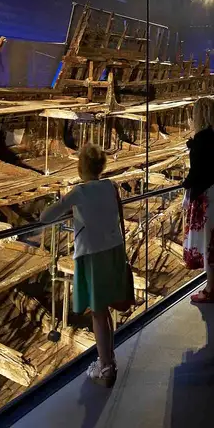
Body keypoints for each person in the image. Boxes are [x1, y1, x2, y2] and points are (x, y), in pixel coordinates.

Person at [40, 143, 132, 387]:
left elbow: (45, 217)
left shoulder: (79, 193)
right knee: (105, 312)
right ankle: (108, 359)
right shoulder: (110, 187)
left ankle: (105, 367)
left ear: (81, 167)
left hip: (92, 256)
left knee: (99, 314)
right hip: (114, 251)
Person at [183, 97, 214, 303]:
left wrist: (186, 186)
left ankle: (210, 289)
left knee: (208, 241)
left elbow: (197, 170)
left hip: (206, 194)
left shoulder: (202, 136)